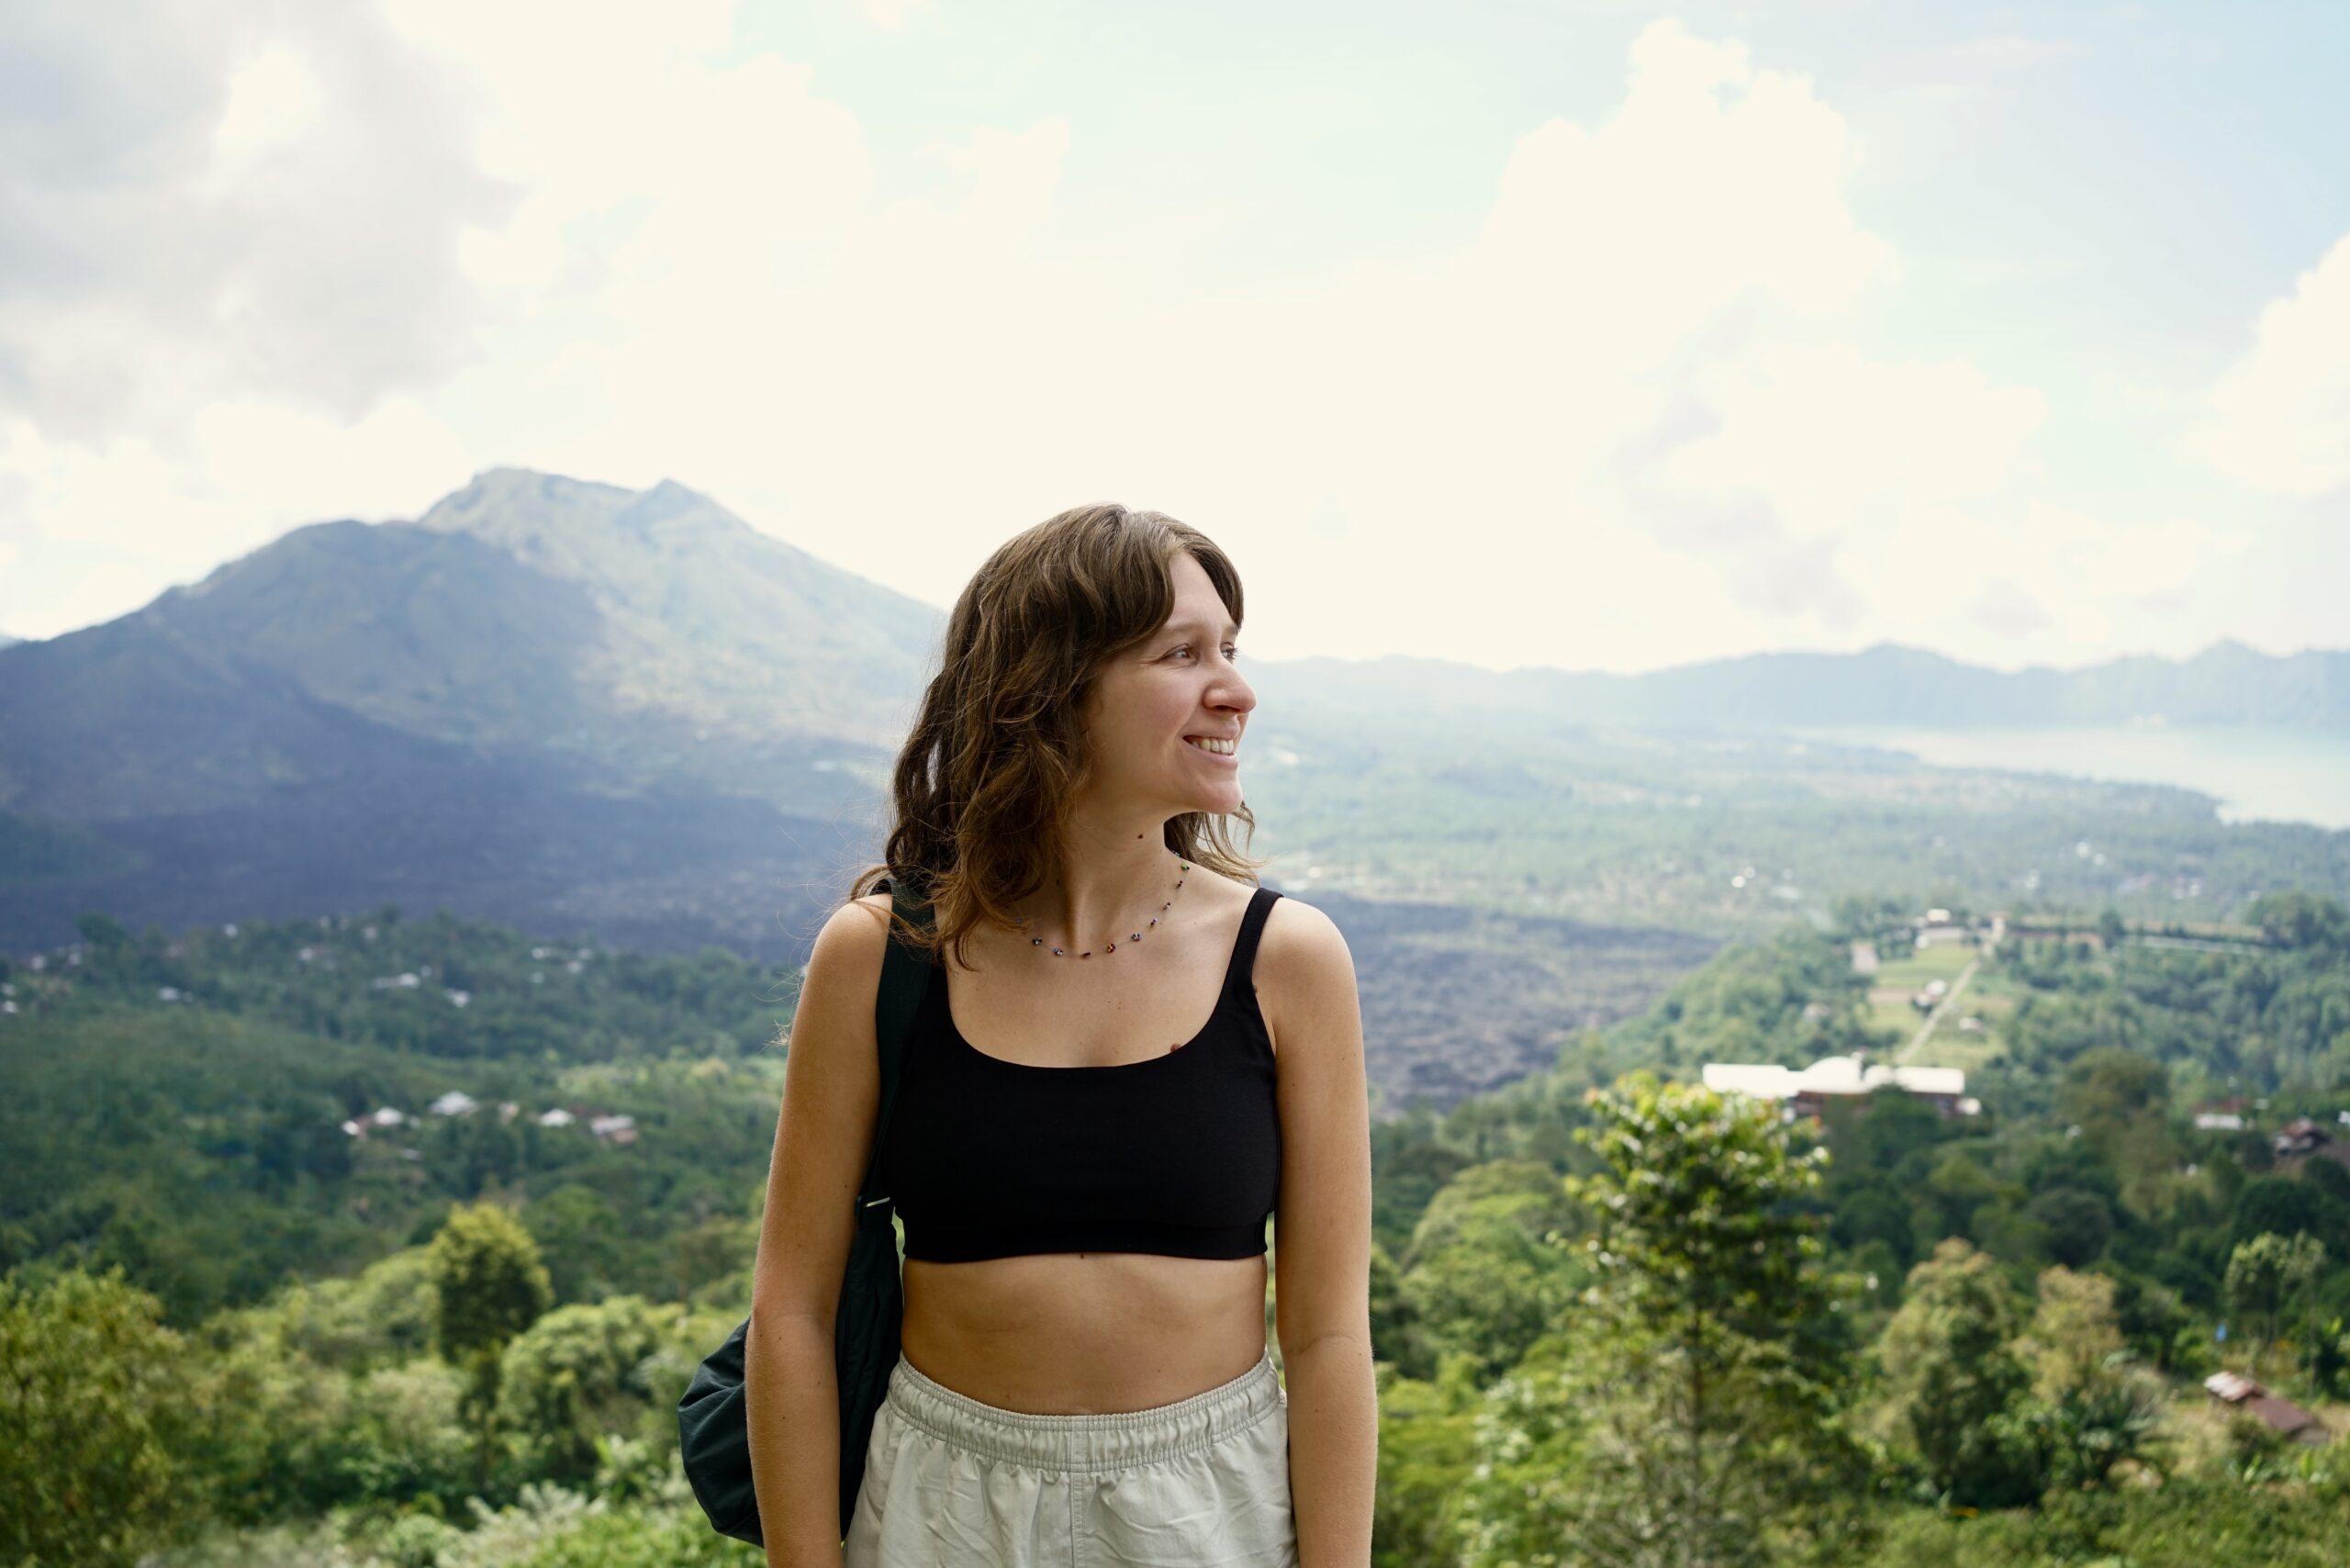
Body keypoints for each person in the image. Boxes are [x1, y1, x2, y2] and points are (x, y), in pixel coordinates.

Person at [744, 504, 1376, 1566]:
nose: (1237, 689)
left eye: (1230, 648)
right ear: (1049, 689)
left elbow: (1325, 1335)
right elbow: (792, 1313)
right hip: (940, 1503)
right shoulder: (881, 952)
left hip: (1210, 1505)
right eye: (1183, 653)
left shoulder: (1289, 960)